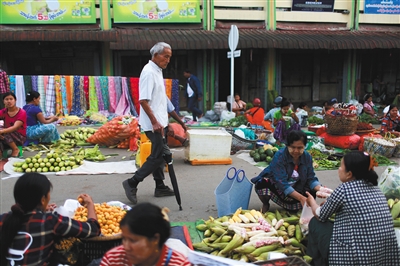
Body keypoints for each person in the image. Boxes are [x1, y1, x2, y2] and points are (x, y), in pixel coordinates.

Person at [306, 151, 400, 266]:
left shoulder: (344, 189)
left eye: (341, 166)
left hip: (354, 260)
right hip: (382, 259)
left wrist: (312, 202)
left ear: (349, 174)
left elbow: (320, 215)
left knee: (316, 223)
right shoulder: (376, 189)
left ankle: (315, 261)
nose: (339, 169)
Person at [123, 42, 185, 205]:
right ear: (155, 55)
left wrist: (169, 122)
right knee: (157, 157)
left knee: (161, 154)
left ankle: (160, 186)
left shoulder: (157, 71)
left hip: (160, 122)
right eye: (166, 56)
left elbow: (161, 100)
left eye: (169, 57)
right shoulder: (149, 72)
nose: (168, 60)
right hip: (153, 124)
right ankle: (132, 182)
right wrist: (156, 122)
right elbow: (143, 100)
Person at [0, 172, 101, 265]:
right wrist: (90, 204)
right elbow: (93, 229)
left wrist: (41, 211)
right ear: (43, 200)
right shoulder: (49, 221)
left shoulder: (3, 218)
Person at [251, 130, 322, 213]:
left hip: (297, 188)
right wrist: (301, 198)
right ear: (287, 145)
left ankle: (292, 205)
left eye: (300, 148)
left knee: (312, 193)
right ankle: (266, 204)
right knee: (262, 183)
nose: (296, 151)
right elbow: (282, 184)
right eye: (293, 147)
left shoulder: (307, 157)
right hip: (279, 188)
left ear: (305, 146)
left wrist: (321, 189)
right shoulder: (280, 156)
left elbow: (311, 178)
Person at [100, 203, 191, 266]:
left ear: (155, 239)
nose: (126, 247)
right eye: (124, 239)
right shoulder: (113, 259)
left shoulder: (178, 263)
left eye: (133, 240)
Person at [0, 92, 27, 158]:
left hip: (19, 137)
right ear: (3, 101)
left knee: (5, 131)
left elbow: (15, 127)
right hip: (6, 136)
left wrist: (1, 132)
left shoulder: (22, 112)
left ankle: (15, 149)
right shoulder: (3, 111)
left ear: (15, 100)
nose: (9, 101)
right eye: (6, 99)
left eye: (11, 99)